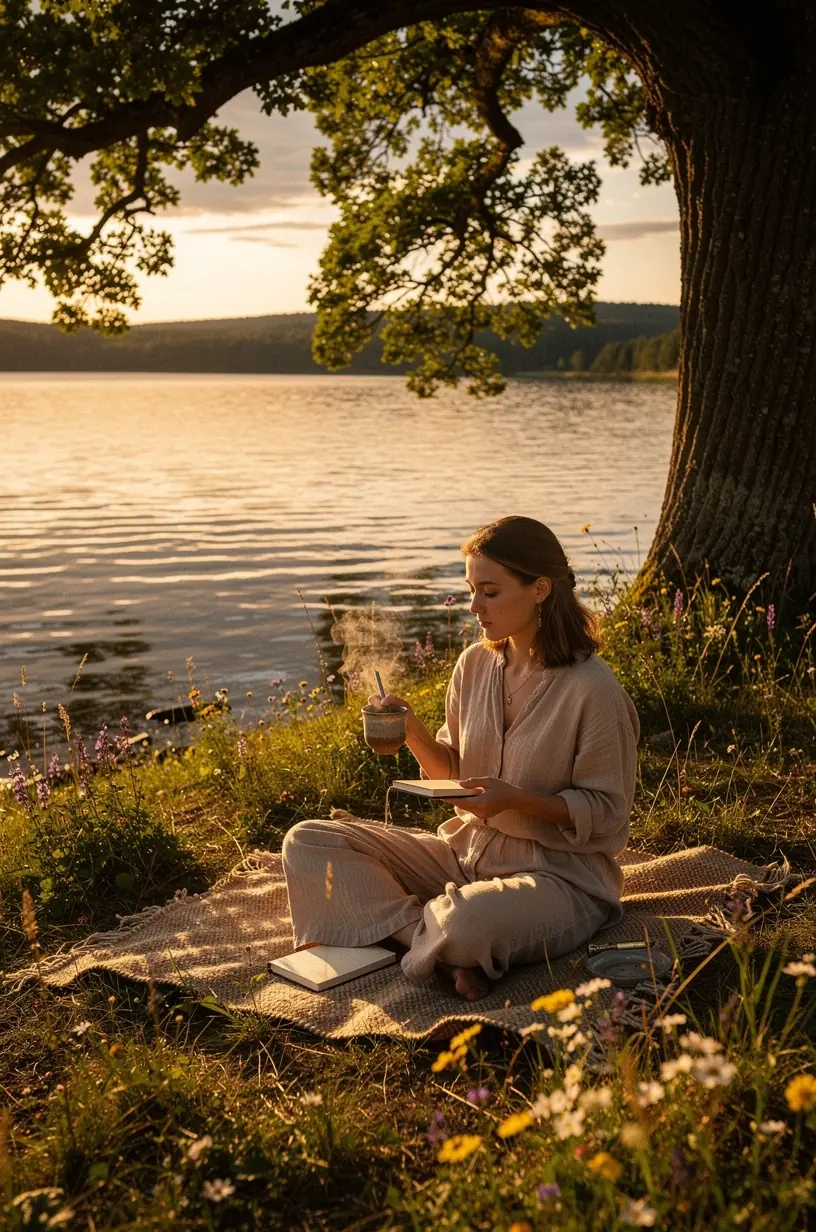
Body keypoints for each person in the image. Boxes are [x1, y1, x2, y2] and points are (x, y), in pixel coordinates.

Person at [281, 515, 640, 1001]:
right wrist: (412, 732)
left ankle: (436, 937)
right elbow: (453, 771)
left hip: (558, 878)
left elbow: (607, 812)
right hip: (462, 855)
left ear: (539, 589)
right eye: (472, 590)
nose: (474, 607)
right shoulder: (474, 665)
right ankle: (435, 947)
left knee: (469, 922)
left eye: (490, 592)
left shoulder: (593, 690)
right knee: (309, 841)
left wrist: (517, 801)